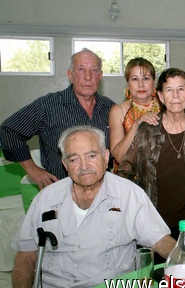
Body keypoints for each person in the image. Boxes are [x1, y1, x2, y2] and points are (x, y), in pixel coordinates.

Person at [6, 126, 176, 288]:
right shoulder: (46, 198)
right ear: (64, 164)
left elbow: (161, 242)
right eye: (74, 159)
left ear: (106, 157)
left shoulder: (129, 194)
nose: (84, 165)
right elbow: (25, 255)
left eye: (91, 156)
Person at [117, 68, 185, 240]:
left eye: (181, 89)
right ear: (160, 96)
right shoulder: (147, 128)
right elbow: (125, 170)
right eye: (169, 89)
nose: (175, 95)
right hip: (153, 221)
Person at [0, 49, 115, 189]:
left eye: (94, 70)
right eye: (81, 69)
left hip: (103, 191)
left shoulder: (110, 108)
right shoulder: (48, 105)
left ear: (100, 75)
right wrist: (33, 170)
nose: (88, 76)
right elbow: (8, 131)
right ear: (70, 75)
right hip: (61, 192)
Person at [108, 58, 161, 167]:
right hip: (129, 177)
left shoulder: (166, 107)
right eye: (135, 79)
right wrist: (136, 125)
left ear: (154, 80)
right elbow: (119, 157)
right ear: (128, 82)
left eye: (146, 78)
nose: (141, 85)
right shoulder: (118, 111)